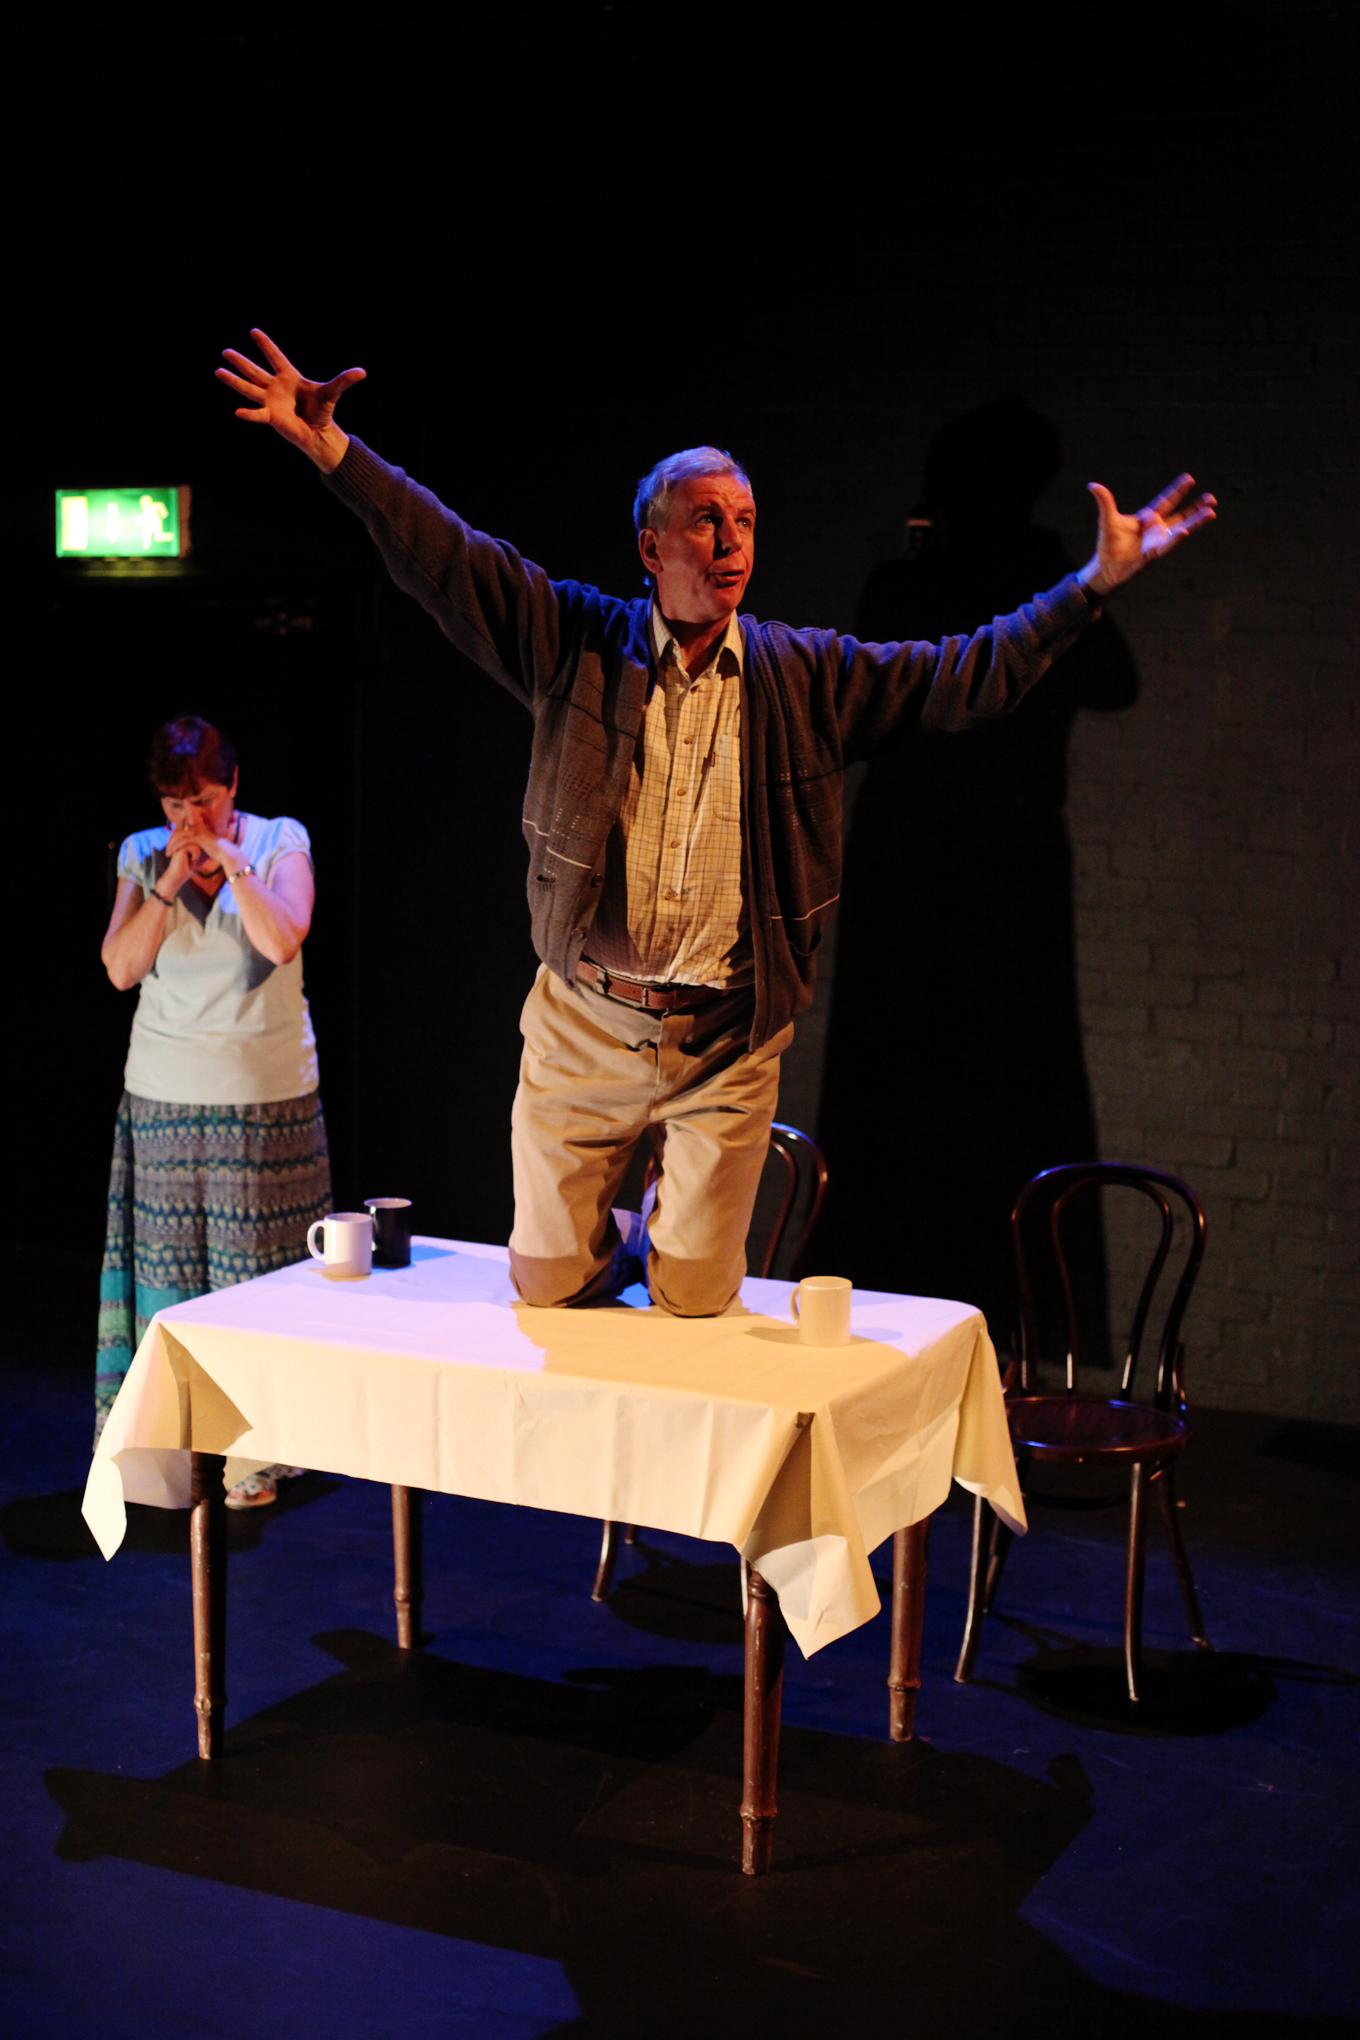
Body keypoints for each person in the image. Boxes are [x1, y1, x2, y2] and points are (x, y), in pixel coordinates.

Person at [216, 329, 1215, 1319]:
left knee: (696, 1296)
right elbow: (450, 559)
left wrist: (1089, 587)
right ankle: (624, 1240)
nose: (732, 543)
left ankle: (671, 1245)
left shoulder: (803, 676)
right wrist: (336, 452)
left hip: (727, 1040)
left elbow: (965, 673)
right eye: (705, 522)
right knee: (548, 1282)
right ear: (650, 547)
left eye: (743, 521)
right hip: (587, 1022)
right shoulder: (577, 645)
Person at [96, 714, 331, 1508]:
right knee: (171, 1285)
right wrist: (166, 883)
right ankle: (171, 1458)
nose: (187, 820)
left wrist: (232, 864)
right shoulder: (142, 854)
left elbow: (283, 938)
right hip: (164, 1095)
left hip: (263, 1100)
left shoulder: (278, 841)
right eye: (174, 806)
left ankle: (254, 1458)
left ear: (232, 787)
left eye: (201, 802)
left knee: (252, 1283)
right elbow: (120, 968)